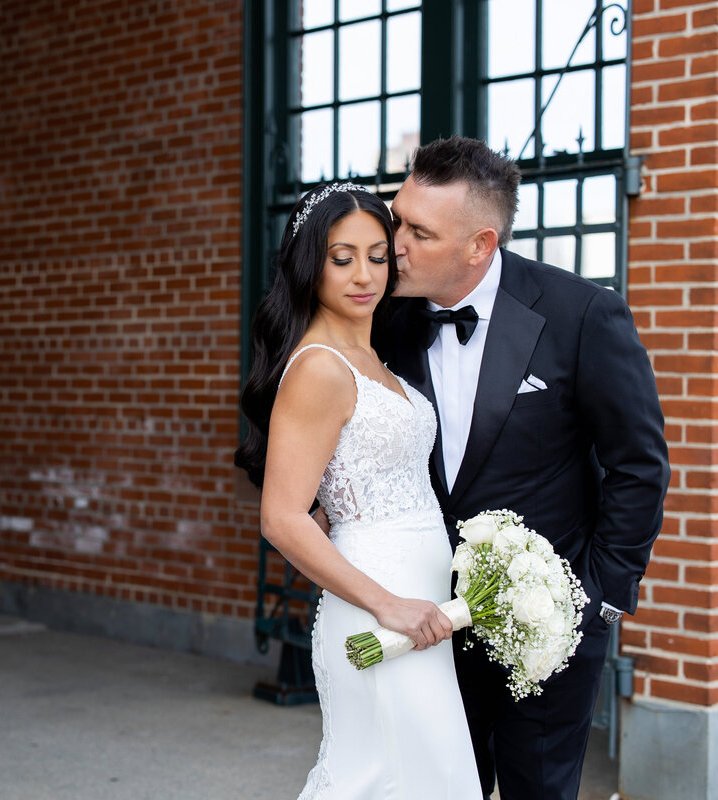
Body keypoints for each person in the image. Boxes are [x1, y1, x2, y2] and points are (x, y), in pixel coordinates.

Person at [377, 135, 670, 800]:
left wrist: (594, 601)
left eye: (418, 231)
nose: (395, 243)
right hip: (422, 625)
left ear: (480, 244)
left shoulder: (582, 315)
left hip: (545, 630)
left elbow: (639, 464)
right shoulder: (384, 319)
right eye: (398, 219)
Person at [236, 182, 483, 799]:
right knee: (394, 779)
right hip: (381, 608)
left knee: (423, 779)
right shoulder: (320, 366)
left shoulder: (371, 357)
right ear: (309, 264)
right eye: (341, 258)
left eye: (378, 255)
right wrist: (386, 604)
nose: (364, 274)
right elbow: (283, 518)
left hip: (422, 607)